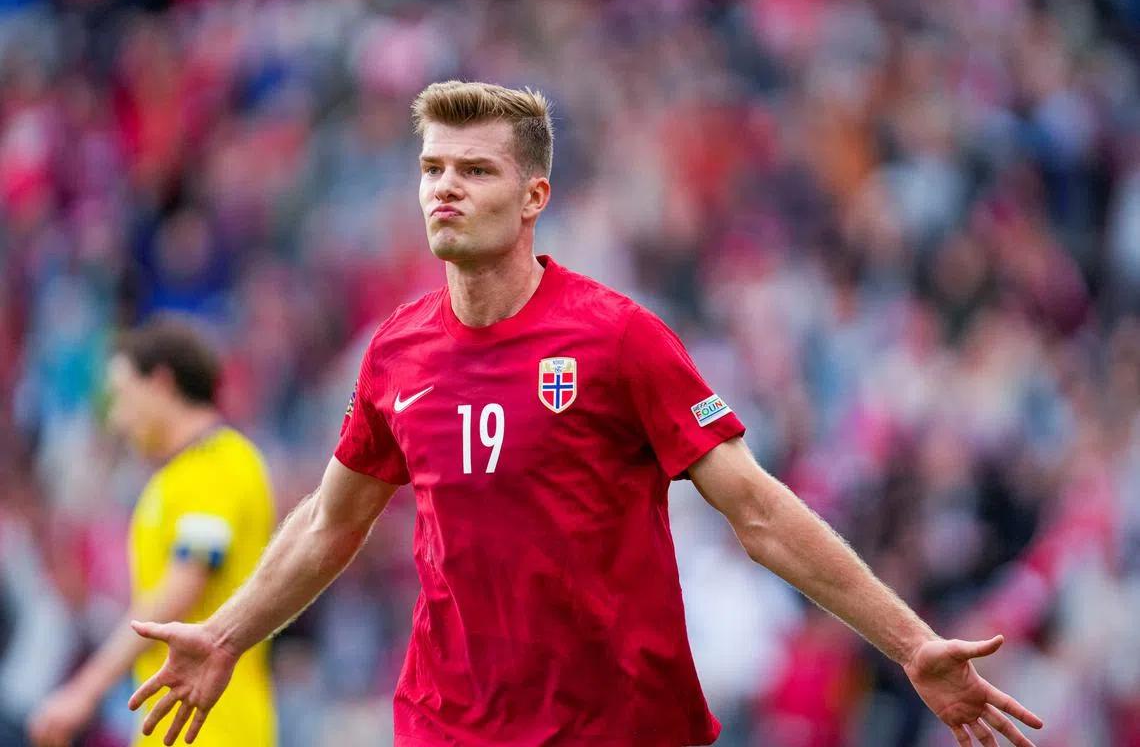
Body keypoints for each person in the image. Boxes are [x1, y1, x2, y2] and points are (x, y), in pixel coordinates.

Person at [127, 82, 1043, 747]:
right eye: (432, 168)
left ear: (535, 197)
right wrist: (225, 635)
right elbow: (332, 523)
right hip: (449, 723)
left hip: (617, 725)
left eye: (475, 170)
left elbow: (758, 513)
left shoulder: (618, 339)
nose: (444, 188)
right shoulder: (394, 353)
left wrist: (913, 644)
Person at [27, 318, 277, 747]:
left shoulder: (217, 464)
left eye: (123, 395)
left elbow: (181, 588)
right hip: (175, 728)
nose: (117, 418)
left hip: (215, 730)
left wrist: (83, 691)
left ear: (161, 383)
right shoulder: (175, 478)